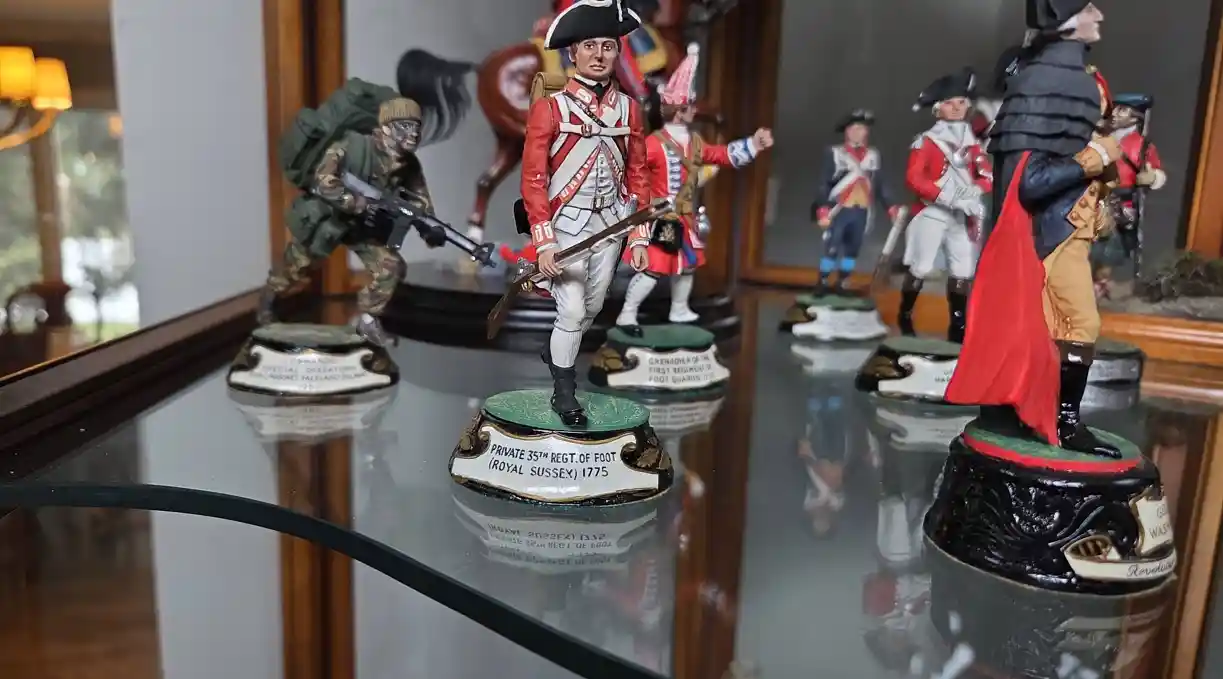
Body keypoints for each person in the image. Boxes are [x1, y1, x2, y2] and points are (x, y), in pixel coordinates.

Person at [944, 0, 1122, 457]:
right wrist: (1094, 158)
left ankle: (1040, 412)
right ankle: (1064, 424)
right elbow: (1031, 182)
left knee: (1060, 326)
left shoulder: (1065, 78)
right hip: (1051, 235)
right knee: (1080, 323)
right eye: (1088, 8)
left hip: (1069, 226)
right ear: (1068, 20)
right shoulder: (1051, 81)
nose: (1098, 16)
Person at [522, 0, 653, 426]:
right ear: (572, 53)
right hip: (566, 224)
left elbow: (638, 173)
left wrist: (638, 236)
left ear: (617, 52)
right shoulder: (551, 108)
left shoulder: (630, 110)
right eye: (589, 46)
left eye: (608, 46)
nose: (599, 55)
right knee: (573, 311)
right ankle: (565, 389)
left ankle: (558, 350)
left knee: (592, 307)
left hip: (611, 224)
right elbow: (534, 179)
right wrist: (543, 241)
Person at [260, 97, 445, 347]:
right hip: (330, 219)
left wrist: (430, 229)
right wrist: (353, 201)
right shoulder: (352, 146)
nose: (413, 133)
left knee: (391, 268)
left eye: (416, 127)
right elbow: (323, 180)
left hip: (364, 228)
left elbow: (420, 201)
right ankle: (268, 303)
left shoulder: (409, 166)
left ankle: (368, 322)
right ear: (386, 127)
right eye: (405, 126)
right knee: (295, 267)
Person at [614, 43, 773, 335]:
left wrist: (753, 144)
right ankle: (627, 313)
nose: (693, 111)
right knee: (652, 269)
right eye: (689, 107)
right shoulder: (653, 144)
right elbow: (632, 173)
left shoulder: (695, 143)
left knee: (687, 266)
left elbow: (723, 155)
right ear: (678, 110)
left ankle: (679, 308)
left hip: (685, 218)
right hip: (660, 218)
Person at [899, 67, 993, 341]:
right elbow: (914, 178)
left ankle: (958, 323)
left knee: (962, 268)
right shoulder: (927, 141)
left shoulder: (972, 144)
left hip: (963, 216)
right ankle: (905, 315)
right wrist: (949, 197)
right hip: (933, 212)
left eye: (961, 102)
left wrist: (974, 191)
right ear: (938, 109)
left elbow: (986, 176)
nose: (956, 108)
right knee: (921, 265)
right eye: (950, 103)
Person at [812, 111, 902, 295]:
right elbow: (824, 184)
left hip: (861, 211)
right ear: (846, 131)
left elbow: (881, 185)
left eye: (861, 128)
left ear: (866, 132)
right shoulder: (835, 153)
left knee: (852, 249)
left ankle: (843, 281)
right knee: (832, 247)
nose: (857, 132)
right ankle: (823, 280)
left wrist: (891, 207)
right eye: (853, 128)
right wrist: (823, 210)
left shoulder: (873, 156)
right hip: (840, 210)